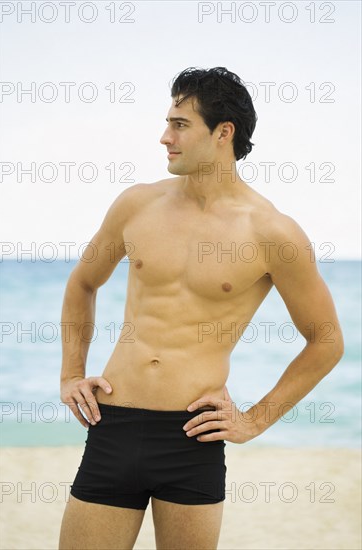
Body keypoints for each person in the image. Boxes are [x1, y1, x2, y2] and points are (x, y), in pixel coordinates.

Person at [58, 67, 344, 550]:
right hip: (114, 424)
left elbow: (327, 340)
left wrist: (254, 420)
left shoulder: (272, 232)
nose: (164, 137)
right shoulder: (136, 204)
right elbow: (83, 283)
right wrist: (71, 373)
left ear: (222, 133)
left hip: (193, 436)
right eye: (168, 122)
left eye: (180, 124)